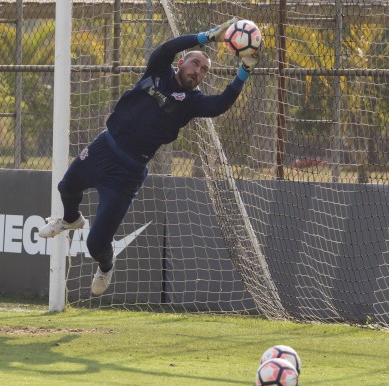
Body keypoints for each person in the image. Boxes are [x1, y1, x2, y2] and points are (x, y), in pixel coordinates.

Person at [39, 18, 260, 296]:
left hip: (127, 173)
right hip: (104, 147)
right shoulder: (158, 70)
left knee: (96, 244)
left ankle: (106, 266)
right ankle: (71, 219)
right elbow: (168, 48)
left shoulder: (191, 102)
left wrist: (244, 72)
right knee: (66, 187)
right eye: (195, 64)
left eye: (204, 70)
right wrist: (205, 37)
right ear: (181, 63)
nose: (198, 71)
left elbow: (220, 104)